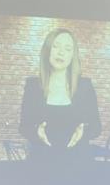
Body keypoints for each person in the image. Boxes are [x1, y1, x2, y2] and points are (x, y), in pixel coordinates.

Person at [19, 28, 101, 161]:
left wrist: (82, 133)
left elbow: (96, 127)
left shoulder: (84, 86)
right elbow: (24, 127)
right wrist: (36, 133)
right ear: (47, 50)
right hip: (42, 161)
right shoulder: (33, 86)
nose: (61, 52)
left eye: (67, 49)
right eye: (55, 46)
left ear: (72, 56)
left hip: (78, 162)